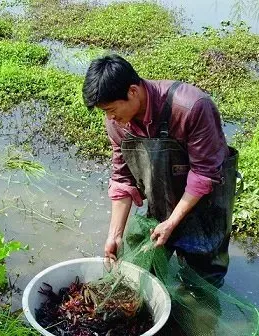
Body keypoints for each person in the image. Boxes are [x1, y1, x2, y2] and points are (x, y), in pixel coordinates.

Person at [82, 54, 239, 288]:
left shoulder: (192, 107)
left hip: (206, 206)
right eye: (104, 112)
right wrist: (115, 234)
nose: (110, 117)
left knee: (203, 281)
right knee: (143, 275)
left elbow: (204, 173)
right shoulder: (117, 122)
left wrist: (172, 222)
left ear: (133, 91)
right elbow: (122, 178)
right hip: (163, 201)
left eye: (112, 109)